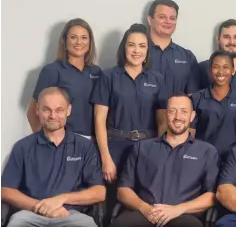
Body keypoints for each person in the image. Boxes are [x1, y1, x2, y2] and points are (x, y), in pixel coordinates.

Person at [90, 23, 167, 223]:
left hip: (147, 146)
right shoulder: (108, 76)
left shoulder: (156, 79)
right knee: (111, 199)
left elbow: (162, 121)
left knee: (142, 199)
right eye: (131, 45)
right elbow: (99, 119)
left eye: (142, 46)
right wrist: (106, 158)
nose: (136, 50)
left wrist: (161, 153)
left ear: (148, 50)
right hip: (115, 145)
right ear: (124, 48)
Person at [110, 93, 219, 227]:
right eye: (172, 111)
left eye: (184, 111)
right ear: (166, 114)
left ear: (192, 116)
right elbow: (123, 191)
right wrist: (145, 208)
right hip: (144, 213)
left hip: (183, 216)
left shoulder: (207, 152)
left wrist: (178, 209)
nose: (178, 117)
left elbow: (211, 196)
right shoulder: (141, 148)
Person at [2, 87, 105, 227]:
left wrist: (62, 199)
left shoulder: (84, 147)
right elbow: (6, 190)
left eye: (59, 110)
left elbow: (99, 192)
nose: (53, 115)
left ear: (68, 110)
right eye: (46, 109)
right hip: (30, 213)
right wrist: (42, 207)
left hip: (70, 214)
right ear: (37, 110)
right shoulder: (23, 147)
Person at [27, 18, 102, 140]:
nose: (79, 42)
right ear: (65, 42)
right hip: (65, 140)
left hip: (93, 142)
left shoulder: (97, 72)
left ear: (90, 42)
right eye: (73, 37)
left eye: (84, 37)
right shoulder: (52, 71)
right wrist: (46, 142)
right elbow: (32, 112)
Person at [190, 50, 236, 159]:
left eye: (226, 67)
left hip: (234, 160)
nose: (221, 71)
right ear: (210, 70)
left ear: (233, 70)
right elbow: (190, 134)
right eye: (216, 67)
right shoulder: (196, 98)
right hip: (202, 158)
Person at [147, 0, 201, 96]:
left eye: (172, 18)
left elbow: (192, 96)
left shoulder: (187, 57)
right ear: (150, 20)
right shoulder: (137, 53)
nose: (168, 21)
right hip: (141, 111)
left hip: (174, 111)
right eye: (162, 17)